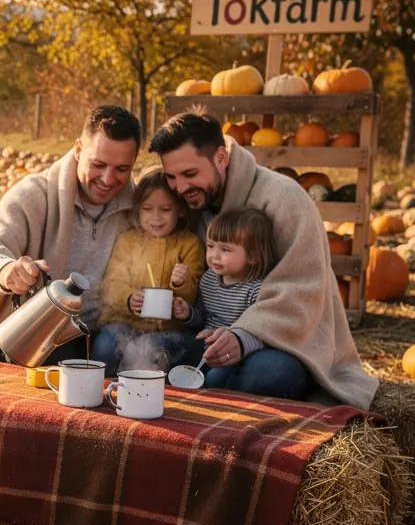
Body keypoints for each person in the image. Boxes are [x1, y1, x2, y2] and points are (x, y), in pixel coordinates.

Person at [151, 112, 377, 408]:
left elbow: (301, 290)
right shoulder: (187, 199)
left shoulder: (285, 199)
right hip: (209, 337)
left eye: (190, 174)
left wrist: (244, 336)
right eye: (171, 177)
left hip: (278, 343)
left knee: (269, 373)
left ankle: (210, 403)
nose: (180, 187)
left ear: (221, 157)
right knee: (153, 349)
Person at [0, 105, 142, 362]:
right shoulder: (34, 195)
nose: (108, 179)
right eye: (98, 164)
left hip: (107, 337)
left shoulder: (140, 209)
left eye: (122, 169)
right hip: (40, 339)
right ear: (78, 149)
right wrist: (5, 271)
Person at [94, 168, 206, 377]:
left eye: (165, 209)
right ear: (138, 210)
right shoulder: (128, 241)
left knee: (151, 347)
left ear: (181, 210)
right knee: (106, 344)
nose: (156, 217)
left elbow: (193, 297)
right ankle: (99, 387)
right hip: (125, 321)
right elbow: (112, 283)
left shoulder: (190, 244)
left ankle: (142, 390)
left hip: (170, 330)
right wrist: (128, 299)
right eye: (147, 209)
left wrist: (181, 284)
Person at [172, 207, 290, 392]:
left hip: (234, 356)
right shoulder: (209, 278)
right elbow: (203, 316)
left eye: (225, 249)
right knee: (164, 344)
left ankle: (210, 394)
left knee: (216, 377)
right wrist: (188, 313)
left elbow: (258, 333)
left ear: (253, 256)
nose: (214, 255)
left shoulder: (257, 290)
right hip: (206, 346)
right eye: (211, 246)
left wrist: (226, 334)